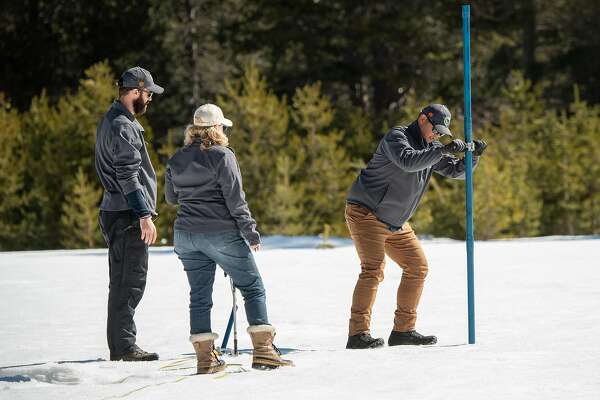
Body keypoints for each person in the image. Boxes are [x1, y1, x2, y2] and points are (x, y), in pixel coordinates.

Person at [345, 104, 487, 349]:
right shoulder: (397, 137)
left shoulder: (432, 147)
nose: (437, 135)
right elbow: (408, 162)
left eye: (442, 133)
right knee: (373, 269)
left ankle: (403, 330)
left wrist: (473, 157)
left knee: (417, 267)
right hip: (366, 213)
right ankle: (357, 334)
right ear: (423, 119)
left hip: (396, 223)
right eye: (435, 130)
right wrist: (442, 150)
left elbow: (456, 171)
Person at [165, 103, 293, 374]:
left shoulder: (176, 158)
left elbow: (171, 197)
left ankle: (206, 360)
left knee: (199, 296)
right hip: (219, 232)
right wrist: (250, 232)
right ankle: (264, 352)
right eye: (223, 126)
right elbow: (236, 200)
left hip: (186, 235)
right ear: (217, 128)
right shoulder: (223, 156)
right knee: (252, 286)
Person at [95, 67, 164, 361]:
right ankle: (124, 349)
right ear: (135, 92)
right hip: (126, 215)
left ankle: (121, 346)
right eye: (148, 94)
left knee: (123, 281)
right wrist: (144, 214)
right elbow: (127, 175)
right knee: (129, 282)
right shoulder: (123, 125)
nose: (149, 99)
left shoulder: (115, 120)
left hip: (118, 211)